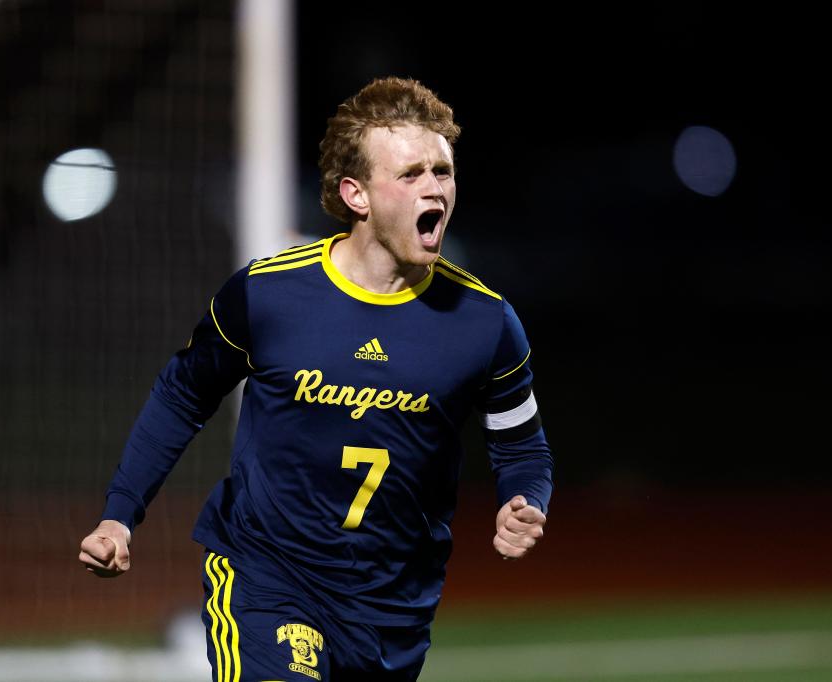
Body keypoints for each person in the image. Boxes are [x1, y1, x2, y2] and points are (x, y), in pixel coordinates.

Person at [79, 76, 554, 682]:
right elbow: (182, 395)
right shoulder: (268, 294)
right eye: (410, 174)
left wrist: (525, 500)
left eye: (442, 171)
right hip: (268, 576)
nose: (433, 188)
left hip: (393, 608)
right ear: (356, 194)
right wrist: (120, 514)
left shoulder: (486, 323)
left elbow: (522, 444)